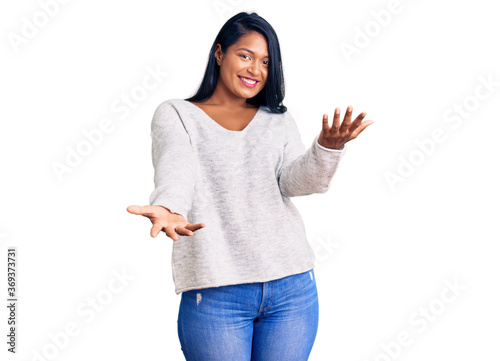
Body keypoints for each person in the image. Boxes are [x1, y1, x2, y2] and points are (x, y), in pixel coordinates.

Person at [127, 11, 373, 361]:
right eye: (245, 55)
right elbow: (176, 168)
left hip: (292, 287)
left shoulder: (278, 118)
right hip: (216, 290)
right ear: (219, 53)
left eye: (266, 62)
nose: (255, 70)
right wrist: (168, 207)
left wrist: (327, 149)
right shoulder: (177, 114)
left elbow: (295, 182)